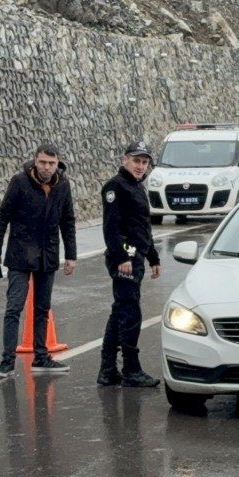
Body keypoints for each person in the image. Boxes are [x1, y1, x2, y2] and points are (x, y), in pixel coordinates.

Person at [0, 143, 77, 377]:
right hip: (20, 253)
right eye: (42, 163)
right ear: (35, 161)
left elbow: (68, 221)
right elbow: (2, 217)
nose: (47, 168)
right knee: (14, 308)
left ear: (58, 164)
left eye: (51, 163)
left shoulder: (63, 185)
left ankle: (42, 357)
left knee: (42, 308)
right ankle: (7, 362)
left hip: (47, 254)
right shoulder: (19, 182)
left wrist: (71, 255)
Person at [97, 141, 162, 388]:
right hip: (123, 258)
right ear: (125, 160)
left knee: (120, 313)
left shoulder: (137, 187)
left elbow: (142, 227)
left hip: (135, 256)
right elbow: (112, 229)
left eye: (144, 162)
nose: (140, 166)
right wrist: (126, 256)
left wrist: (153, 256)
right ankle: (131, 369)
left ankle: (108, 369)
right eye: (136, 161)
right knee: (131, 314)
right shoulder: (115, 187)